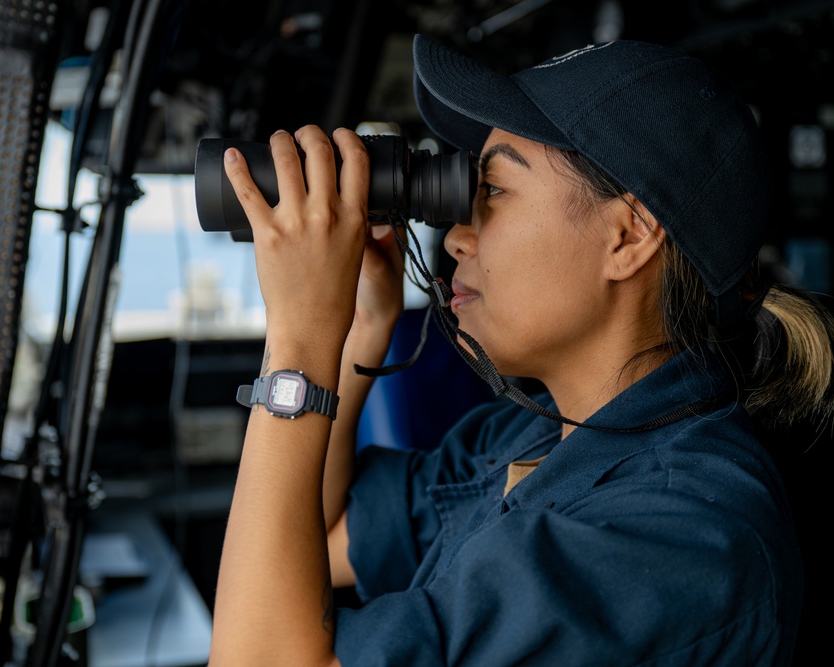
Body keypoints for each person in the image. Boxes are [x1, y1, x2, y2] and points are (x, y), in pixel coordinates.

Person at [205, 34, 834, 666]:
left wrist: (299, 337)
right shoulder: (530, 438)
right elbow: (330, 533)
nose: (455, 237)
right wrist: (357, 332)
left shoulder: (677, 535)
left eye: (494, 191)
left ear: (629, 235)